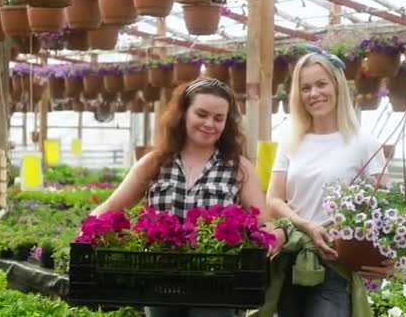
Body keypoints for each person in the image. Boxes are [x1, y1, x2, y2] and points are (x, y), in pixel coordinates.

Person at [89, 78, 285, 317]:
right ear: (183, 113)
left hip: (218, 286)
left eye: (218, 118)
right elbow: (111, 206)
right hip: (161, 283)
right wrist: (87, 231)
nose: (209, 124)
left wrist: (275, 233)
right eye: (201, 114)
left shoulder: (238, 168)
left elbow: (262, 222)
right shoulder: (155, 163)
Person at [267, 47, 393, 317]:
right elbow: (274, 199)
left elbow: (386, 206)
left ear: (337, 86)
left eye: (321, 84)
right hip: (293, 257)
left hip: (336, 261)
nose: (314, 94)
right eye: (305, 87)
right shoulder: (291, 142)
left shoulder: (364, 143)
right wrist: (305, 225)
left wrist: (385, 258)